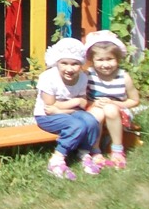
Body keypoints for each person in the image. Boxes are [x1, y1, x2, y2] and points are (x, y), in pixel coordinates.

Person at [34, 37, 102, 180]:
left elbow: (83, 102)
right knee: (76, 125)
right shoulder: (48, 77)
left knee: (91, 121)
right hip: (46, 116)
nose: (69, 69)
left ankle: (84, 152)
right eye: (64, 63)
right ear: (57, 62)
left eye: (75, 64)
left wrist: (66, 108)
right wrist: (74, 103)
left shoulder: (82, 77)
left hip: (69, 112)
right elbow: (50, 106)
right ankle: (57, 159)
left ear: (81, 64)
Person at [84, 30, 139, 169]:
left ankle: (117, 150)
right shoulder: (88, 75)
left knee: (109, 109)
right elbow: (82, 99)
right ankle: (95, 150)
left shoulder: (123, 77)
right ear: (92, 60)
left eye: (110, 59)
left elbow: (134, 100)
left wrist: (115, 103)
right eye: (100, 60)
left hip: (119, 114)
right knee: (98, 112)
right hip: (94, 111)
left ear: (118, 58)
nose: (105, 64)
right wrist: (93, 103)